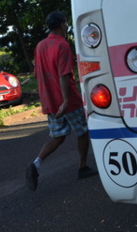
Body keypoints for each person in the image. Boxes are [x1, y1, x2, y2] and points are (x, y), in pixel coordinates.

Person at [26, 11, 98, 192]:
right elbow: (64, 75)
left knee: (57, 136)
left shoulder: (40, 46)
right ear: (61, 25)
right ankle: (82, 167)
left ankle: (36, 164)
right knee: (82, 131)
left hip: (49, 99)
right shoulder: (62, 45)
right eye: (66, 23)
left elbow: (38, 74)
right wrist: (66, 101)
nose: (67, 27)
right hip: (68, 100)